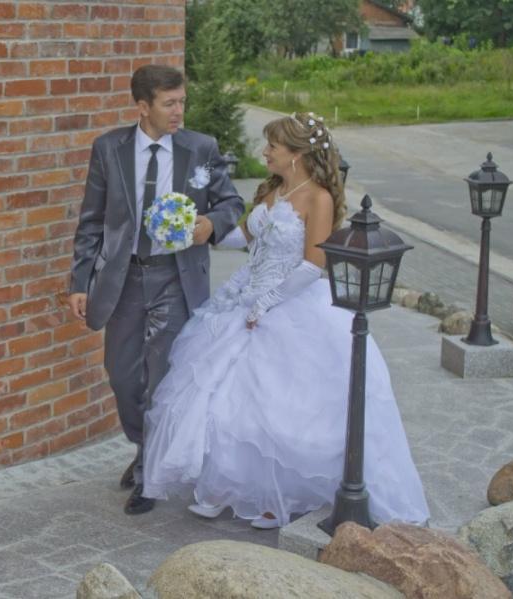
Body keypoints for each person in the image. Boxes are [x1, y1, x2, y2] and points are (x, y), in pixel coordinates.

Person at [142, 112, 430, 528]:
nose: (265, 152)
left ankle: (276, 498)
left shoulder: (319, 198)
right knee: (224, 401)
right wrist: (196, 230)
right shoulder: (274, 189)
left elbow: (314, 264)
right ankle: (225, 486)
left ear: (296, 154)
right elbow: (245, 236)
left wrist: (268, 303)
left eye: (272, 146)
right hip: (244, 296)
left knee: (279, 410)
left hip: (292, 304)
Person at [67, 65, 244, 515]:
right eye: (169, 103)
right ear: (143, 107)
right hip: (124, 279)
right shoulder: (109, 148)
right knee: (122, 376)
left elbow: (231, 203)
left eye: (182, 101)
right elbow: (91, 220)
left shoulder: (201, 148)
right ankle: (143, 444)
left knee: (161, 380)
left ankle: (150, 472)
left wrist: (210, 224)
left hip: (175, 278)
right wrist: (80, 281)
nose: (179, 111)